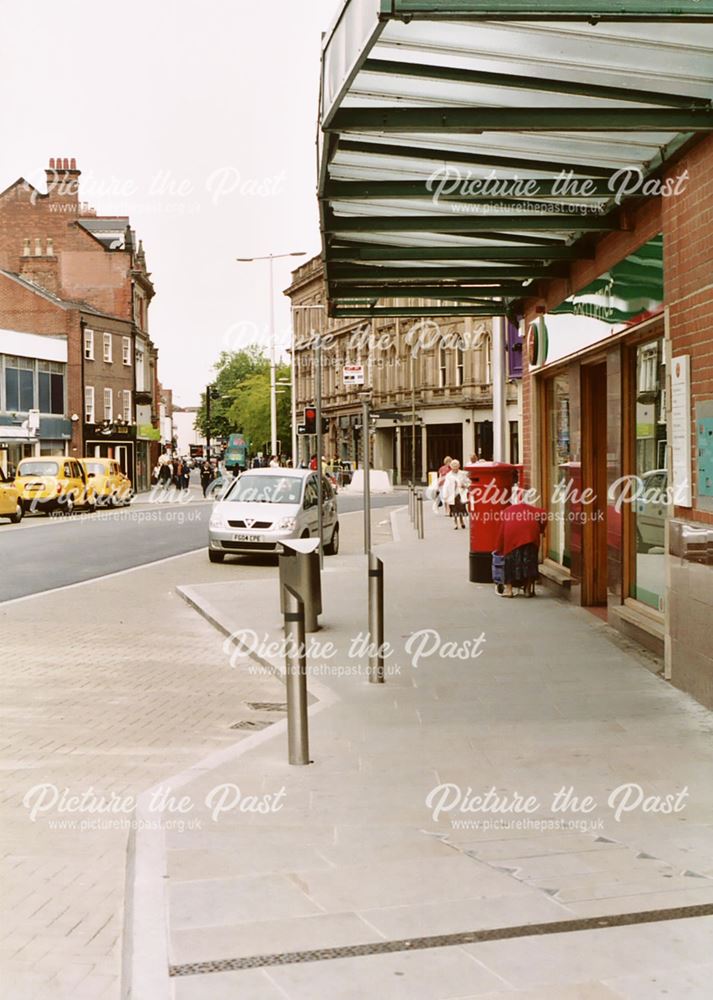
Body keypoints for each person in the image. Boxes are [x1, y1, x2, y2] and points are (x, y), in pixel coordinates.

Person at [495, 500, 546, 598]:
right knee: (529, 561)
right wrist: (541, 529)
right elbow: (544, 515)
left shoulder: (507, 511)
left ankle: (509, 590)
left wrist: (499, 548)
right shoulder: (533, 509)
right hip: (530, 535)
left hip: (512, 537)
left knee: (510, 562)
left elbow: (501, 532)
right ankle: (527, 590)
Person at [441, 460, 469, 529]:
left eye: (456, 466)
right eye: (453, 466)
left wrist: (465, 485)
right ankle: (455, 523)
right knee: (454, 509)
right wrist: (445, 495)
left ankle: (462, 521)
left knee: (461, 508)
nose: (455, 468)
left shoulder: (462, 473)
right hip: (452, 494)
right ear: (451, 467)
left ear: (459, 466)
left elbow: (468, 482)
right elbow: (446, 486)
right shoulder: (449, 475)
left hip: (460, 493)